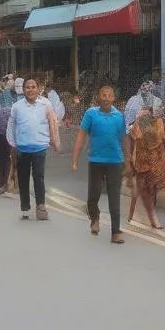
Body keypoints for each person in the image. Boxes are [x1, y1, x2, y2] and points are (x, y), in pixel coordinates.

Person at [71, 85, 129, 243]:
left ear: (113, 98)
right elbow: (81, 136)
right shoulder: (91, 114)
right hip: (96, 160)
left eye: (109, 95)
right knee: (93, 195)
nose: (106, 98)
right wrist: (75, 159)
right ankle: (94, 218)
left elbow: (125, 139)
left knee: (114, 196)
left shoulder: (119, 116)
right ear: (98, 97)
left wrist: (129, 161)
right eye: (103, 95)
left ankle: (116, 231)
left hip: (115, 161)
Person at [6, 78, 60, 219]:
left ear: (38, 89)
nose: (30, 89)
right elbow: (11, 125)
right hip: (22, 148)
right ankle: (25, 206)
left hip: (40, 147)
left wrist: (53, 141)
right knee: (23, 178)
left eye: (33, 87)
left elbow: (53, 122)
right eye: (27, 87)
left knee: (39, 177)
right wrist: (12, 143)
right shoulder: (17, 106)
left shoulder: (46, 104)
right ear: (23, 90)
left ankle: (41, 206)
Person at [129, 109, 165, 229]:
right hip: (142, 162)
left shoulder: (158, 122)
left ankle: (137, 217)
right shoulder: (139, 125)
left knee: (149, 190)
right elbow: (136, 136)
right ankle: (141, 217)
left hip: (155, 162)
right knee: (141, 189)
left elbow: (160, 137)